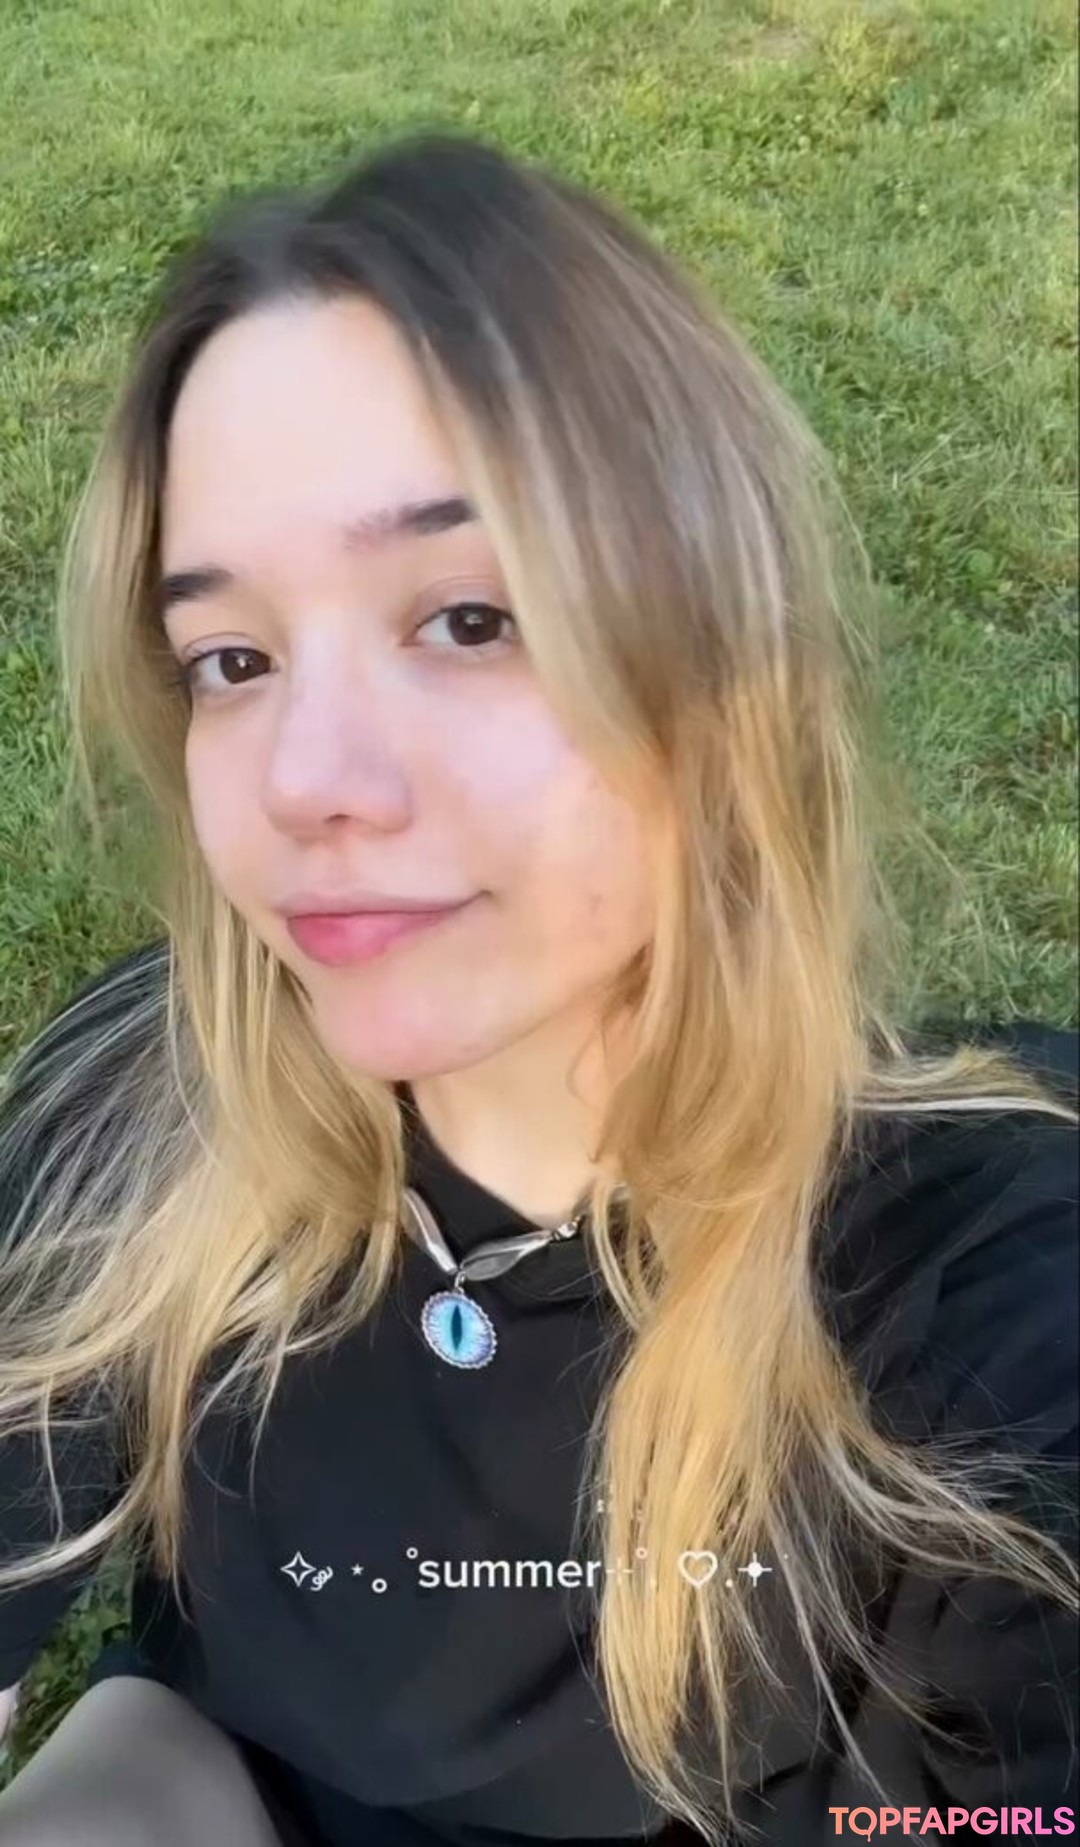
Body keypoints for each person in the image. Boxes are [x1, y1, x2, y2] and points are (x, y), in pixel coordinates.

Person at [0, 129, 1076, 1847]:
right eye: (233, 657)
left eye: (468, 620)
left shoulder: (986, 1303)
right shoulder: (156, 1085)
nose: (306, 781)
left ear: (716, 659)